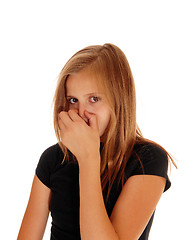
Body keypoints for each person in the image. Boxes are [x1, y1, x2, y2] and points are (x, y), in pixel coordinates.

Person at [17, 43, 176, 240]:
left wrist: (88, 159)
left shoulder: (147, 159)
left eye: (93, 99)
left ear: (119, 99)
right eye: (73, 100)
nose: (82, 113)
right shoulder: (53, 159)